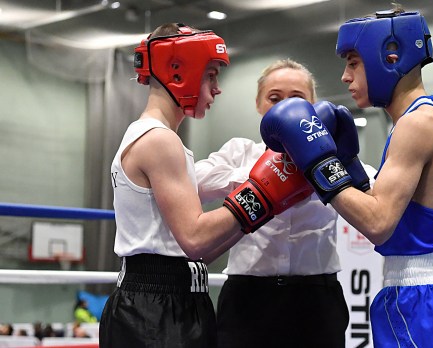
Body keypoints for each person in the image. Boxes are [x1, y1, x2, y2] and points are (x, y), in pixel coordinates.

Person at [259, 5, 433, 347]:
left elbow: (377, 223)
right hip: (423, 296)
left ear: (390, 56)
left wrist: (316, 163)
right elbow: (394, 213)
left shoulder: (418, 124)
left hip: (420, 298)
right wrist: (349, 167)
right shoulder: (419, 121)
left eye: (353, 62)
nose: (345, 77)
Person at [99, 23, 310, 348]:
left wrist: (267, 205)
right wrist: (265, 192)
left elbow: (199, 251)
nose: (217, 88)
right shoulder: (159, 140)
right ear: (179, 71)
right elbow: (196, 238)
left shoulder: (156, 137)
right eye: (211, 74)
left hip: (171, 297)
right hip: (155, 308)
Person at [194, 58, 376, 348]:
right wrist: (265, 175)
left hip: (317, 297)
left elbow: (374, 193)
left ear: (312, 105)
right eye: (274, 98)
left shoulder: (329, 158)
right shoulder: (241, 152)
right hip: (248, 298)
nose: (284, 106)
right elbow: (195, 180)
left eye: (296, 99)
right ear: (258, 104)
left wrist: (334, 166)